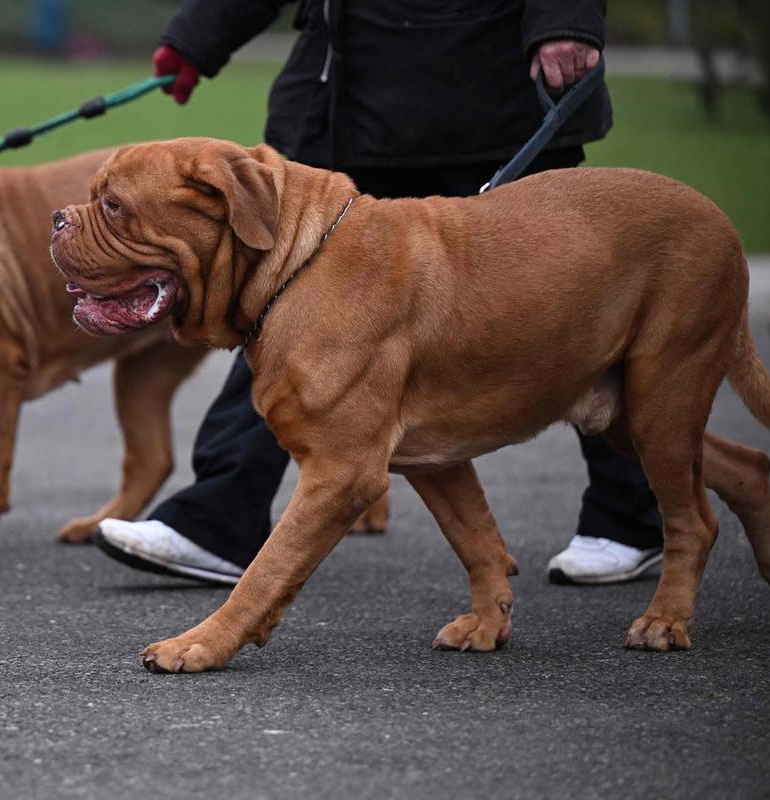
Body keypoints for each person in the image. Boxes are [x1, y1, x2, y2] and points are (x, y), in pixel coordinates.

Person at [95, 0, 664, 587]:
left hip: (490, 88)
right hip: (348, 94)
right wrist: (200, 34)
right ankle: (218, 517)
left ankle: (629, 517)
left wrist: (565, 22)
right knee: (274, 301)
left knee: (562, 311)